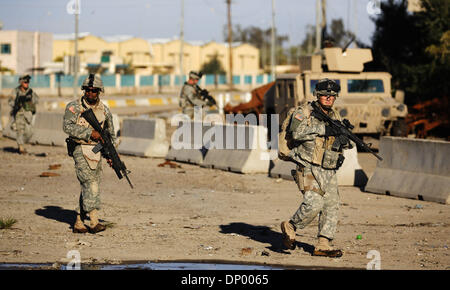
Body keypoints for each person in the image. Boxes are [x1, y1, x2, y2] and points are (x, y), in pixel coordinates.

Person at [280, 78, 353, 258]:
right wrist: (324, 130)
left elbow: (338, 143)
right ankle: (291, 226)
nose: (328, 98)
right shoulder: (303, 112)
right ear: (317, 95)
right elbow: (296, 133)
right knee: (314, 203)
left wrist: (343, 138)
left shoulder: (334, 116)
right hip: (307, 166)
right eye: (324, 95)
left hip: (328, 168)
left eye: (332, 96)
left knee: (331, 205)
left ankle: (323, 243)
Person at [63, 74, 115, 234]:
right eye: (88, 90)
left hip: (96, 150)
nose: (90, 93)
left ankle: (79, 221)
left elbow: (110, 134)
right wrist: (89, 133)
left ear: (100, 91)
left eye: (94, 91)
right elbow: (67, 127)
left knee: (90, 183)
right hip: (79, 147)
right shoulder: (74, 107)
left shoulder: (104, 110)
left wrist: (111, 156)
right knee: (90, 182)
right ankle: (94, 221)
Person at [8, 74, 39, 154]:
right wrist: (16, 104)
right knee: (20, 131)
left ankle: (22, 143)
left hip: (28, 114)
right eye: (25, 82)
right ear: (21, 82)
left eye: (28, 82)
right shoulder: (16, 91)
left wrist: (30, 101)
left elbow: (36, 100)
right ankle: (21, 148)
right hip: (19, 114)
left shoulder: (30, 91)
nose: (27, 83)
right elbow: (10, 101)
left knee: (30, 132)